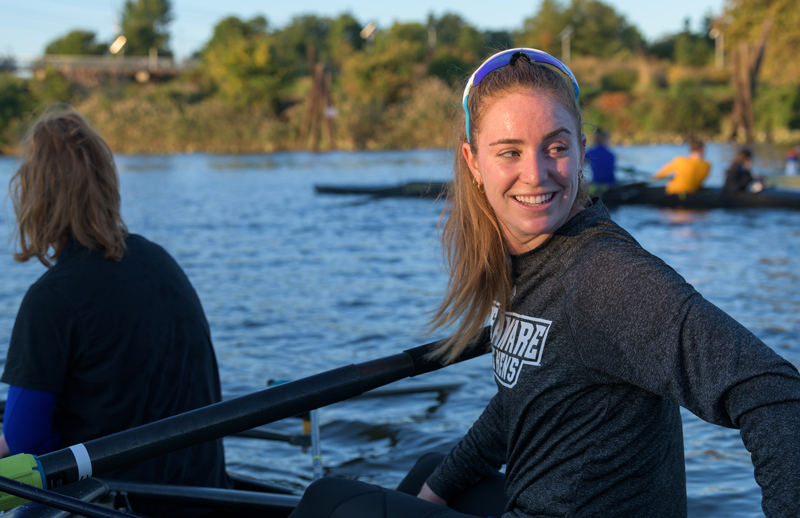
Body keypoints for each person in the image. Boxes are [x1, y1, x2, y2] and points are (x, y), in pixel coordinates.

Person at [288, 48, 800, 518]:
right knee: (432, 471)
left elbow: (776, 397)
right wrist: (435, 492)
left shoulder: (608, 276)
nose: (535, 175)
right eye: (509, 152)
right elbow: (525, 396)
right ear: (473, 164)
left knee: (330, 502)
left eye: (554, 148)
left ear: (580, 151)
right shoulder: (529, 260)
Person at [0, 105, 230, 491]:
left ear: (34, 195)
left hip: (118, 501)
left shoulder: (51, 297)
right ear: (107, 182)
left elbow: (25, 447)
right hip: (202, 494)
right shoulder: (160, 260)